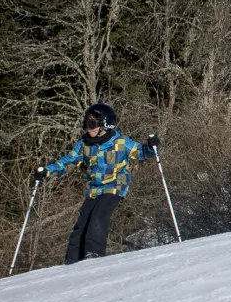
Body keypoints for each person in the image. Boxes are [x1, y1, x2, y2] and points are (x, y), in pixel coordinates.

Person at [35, 103, 149, 264]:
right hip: (94, 189)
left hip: (115, 185)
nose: (88, 128)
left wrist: (151, 147)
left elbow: (142, 152)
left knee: (98, 216)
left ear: (105, 124)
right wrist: (47, 171)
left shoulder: (121, 142)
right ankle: (72, 260)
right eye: (86, 124)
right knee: (81, 225)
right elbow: (69, 160)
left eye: (92, 124)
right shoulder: (85, 144)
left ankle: (93, 254)